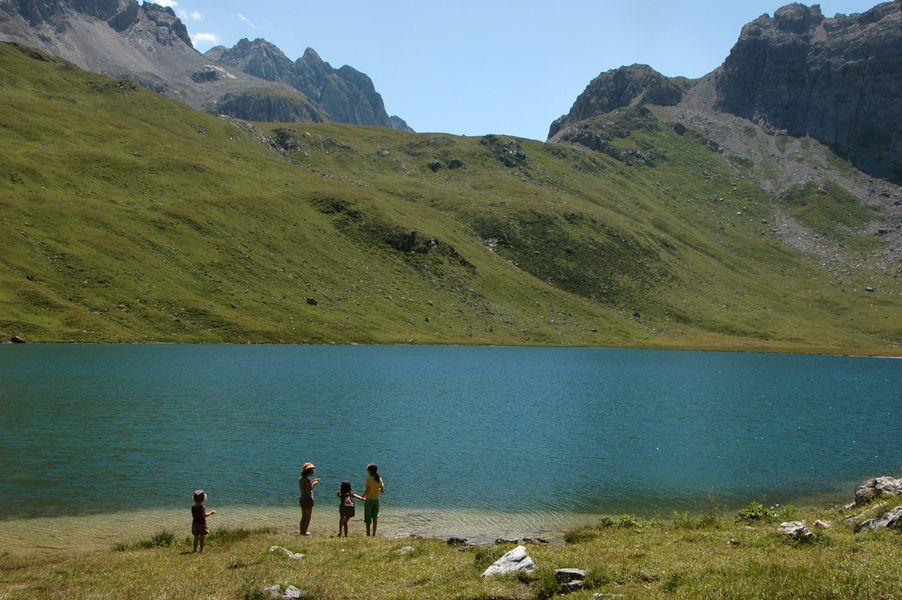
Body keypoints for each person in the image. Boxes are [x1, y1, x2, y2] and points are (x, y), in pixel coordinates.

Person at [362, 463, 385, 536]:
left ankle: (368, 534)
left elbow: (368, 490)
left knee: (367, 518)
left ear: (370, 471)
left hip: (368, 500)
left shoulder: (369, 479)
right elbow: (382, 490)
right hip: (376, 500)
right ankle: (374, 534)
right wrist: (376, 488)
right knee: (375, 518)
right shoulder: (379, 479)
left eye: (368, 471)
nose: (367, 472)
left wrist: (363, 496)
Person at [299, 462, 319, 536]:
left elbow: (306, 486)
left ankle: (302, 532)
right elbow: (308, 490)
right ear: (309, 472)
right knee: (308, 517)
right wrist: (314, 484)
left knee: (303, 516)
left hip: (302, 499)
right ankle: (304, 533)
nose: (313, 472)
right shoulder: (306, 481)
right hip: (307, 500)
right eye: (312, 471)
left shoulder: (301, 479)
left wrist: (313, 481)